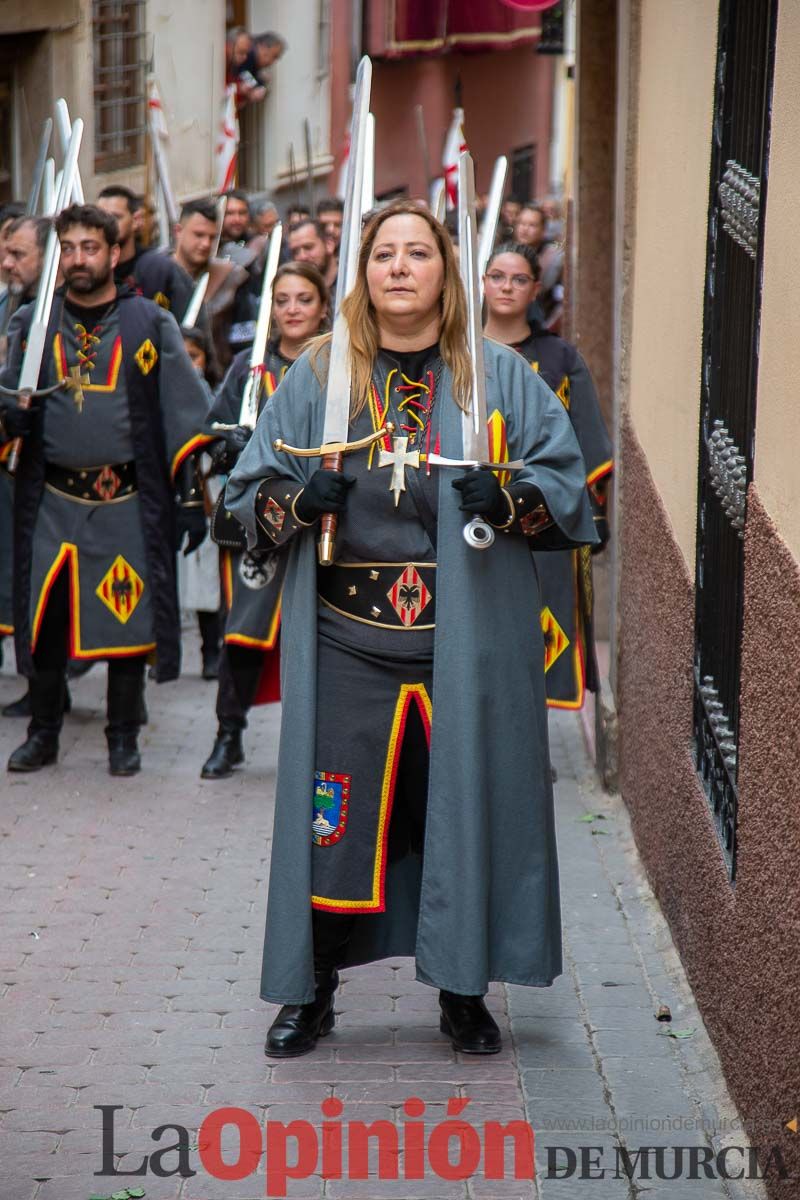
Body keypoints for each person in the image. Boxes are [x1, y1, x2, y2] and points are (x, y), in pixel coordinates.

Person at [225, 200, 596, 1057]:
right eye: (383, 253)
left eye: (418, 252)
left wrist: (510, 497)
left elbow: (567, 482)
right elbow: (243, 494)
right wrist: (293, 499)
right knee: (336, 821)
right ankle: (311, 992)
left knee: (456, 814)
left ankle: (463, 993)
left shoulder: (497, 375)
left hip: (458, 651)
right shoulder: (317, 374)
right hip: (347, 643)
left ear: (444, 271)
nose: (399, 266)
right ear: (362, 272)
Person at [0, 203, 213, 776]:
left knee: (126, 622)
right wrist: (8, 419)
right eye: (67, 248)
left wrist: (191, 499)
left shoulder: (149, 323)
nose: (78, 259)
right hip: (49, 502)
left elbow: (186, 413)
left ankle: (124, 738)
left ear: (114, 254)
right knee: (43, 623)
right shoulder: (32, 324)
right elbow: (5, 401)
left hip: (123, 502)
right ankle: (43, 733)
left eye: (89, 248)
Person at [201, 263, 329, 779]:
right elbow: (212, 426)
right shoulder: (249, 368)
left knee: (326, 636)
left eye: (303, 299)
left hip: (324, 518)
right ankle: (228, 736)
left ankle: (321, 744)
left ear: (323, 306)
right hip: (261, 523)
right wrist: (227, 443)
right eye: (282, 300)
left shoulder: (339, 365)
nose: (293, 309)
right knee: (245, 631)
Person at [483, 242, 613, 709]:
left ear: (535, 289)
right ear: (482, 281)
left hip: (538, 515)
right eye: (497, 276)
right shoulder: (455, 350)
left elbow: (585, 440)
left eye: (518, 279)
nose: (506, 287)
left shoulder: (558, 358)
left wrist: (592, 510)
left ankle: (526, 738)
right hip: (467, 507)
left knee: (537, 629)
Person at [179, 326, 224, 681]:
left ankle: (211, 651)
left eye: (193, 356)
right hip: (165, 499)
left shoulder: (212, 396)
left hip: (202, 495)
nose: (187, 364)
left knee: (205, 579)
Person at [169, 198, 254, 369]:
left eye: (212, 237)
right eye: (199, 235)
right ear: (178, 231)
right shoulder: (156, 274)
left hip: (216, 380)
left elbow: (244, 343)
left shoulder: (231, 279)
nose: (206, 244)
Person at [287, 218, 337, 298]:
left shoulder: (351, 278)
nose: (302, 257)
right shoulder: (294, 288)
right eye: (295, 252)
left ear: (329, 245)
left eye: (308, 247)